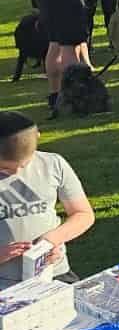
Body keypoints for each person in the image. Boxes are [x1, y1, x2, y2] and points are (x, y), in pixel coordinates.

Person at [0, 111, 95, 286]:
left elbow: (83, 214)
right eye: (5, 168)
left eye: (25, 164)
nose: (16, 173)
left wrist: (53, 239)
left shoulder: (53, 164)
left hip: (54, 274)